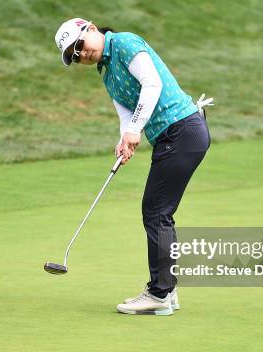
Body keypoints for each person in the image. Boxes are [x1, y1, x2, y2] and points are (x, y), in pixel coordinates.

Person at [54, 18, 212, 316]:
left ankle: (159, 293)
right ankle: (167, 290)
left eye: (79, 45)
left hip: (183, 131)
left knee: (156, 211)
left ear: (90, 29)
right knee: (158, 211)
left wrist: (135, 130)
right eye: (74, 56)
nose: (80, 54)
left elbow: (152, 84)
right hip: (172, 137)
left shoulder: (124, 42)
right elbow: (126, 114)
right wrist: (125, 139)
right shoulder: (107, 75)